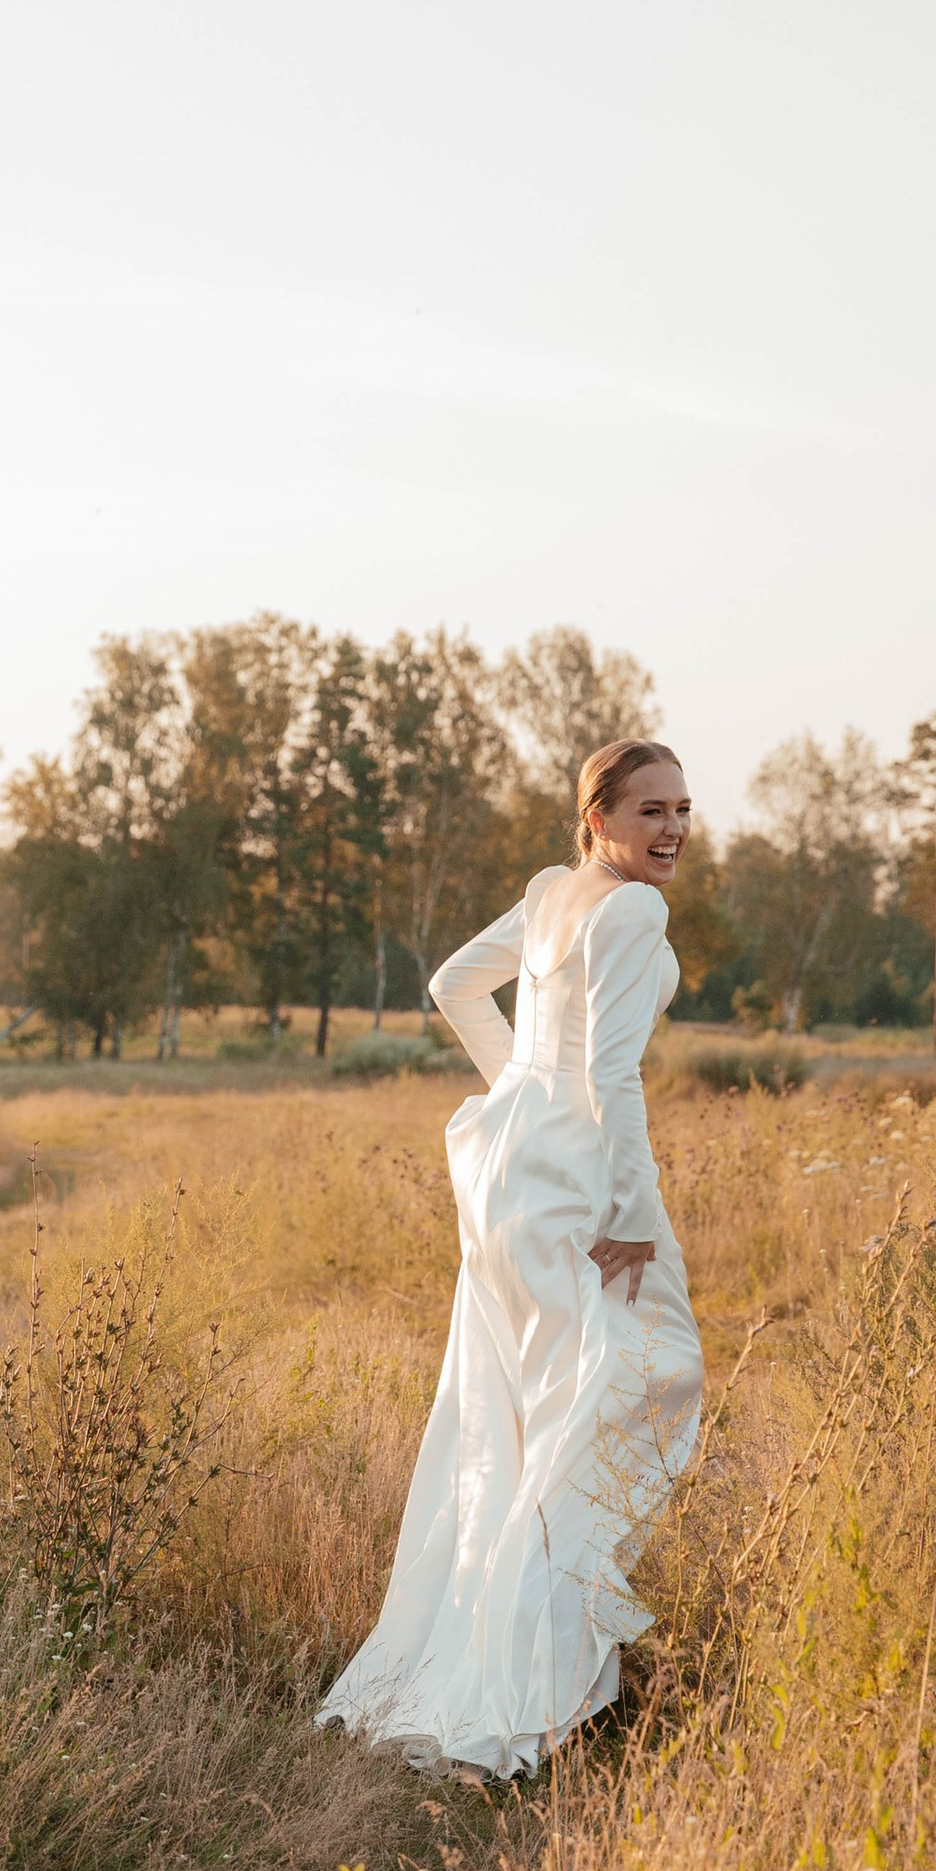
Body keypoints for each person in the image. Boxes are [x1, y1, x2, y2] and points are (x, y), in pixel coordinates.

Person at [318, 739, 705, 1773]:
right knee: (640, 1384)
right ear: (597, 819)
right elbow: (614, 1075)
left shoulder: (552, 892)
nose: (670, 829)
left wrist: (523, 1090)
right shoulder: (630, 910)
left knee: (535, 1408)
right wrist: (629, 1209)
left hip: (509, 1166)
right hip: (574, 1180)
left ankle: (519, 1657)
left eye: (680, 809)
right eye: (647, 811)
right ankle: (537, 1687)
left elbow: (455, 986)